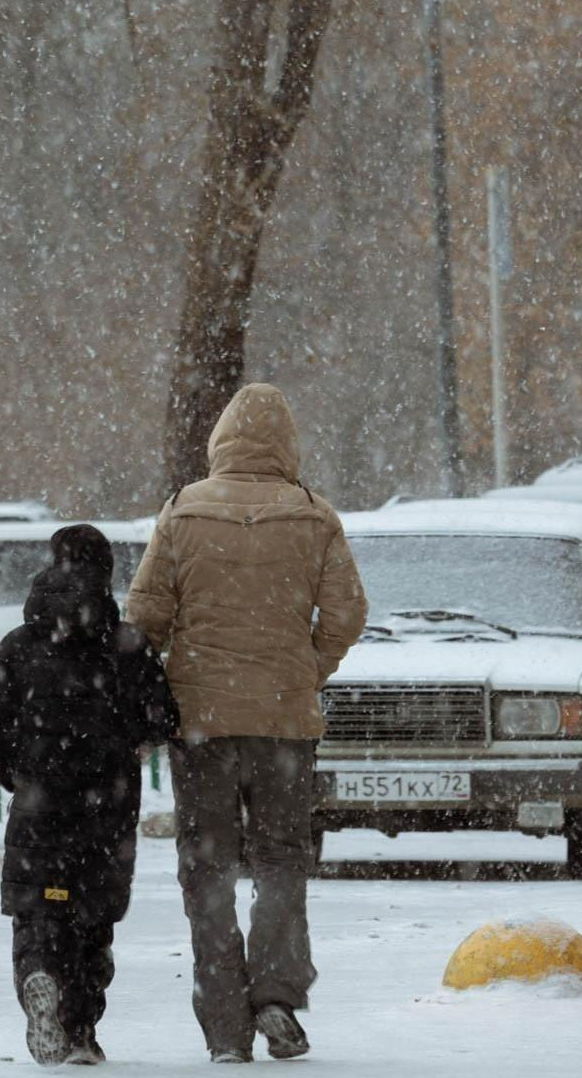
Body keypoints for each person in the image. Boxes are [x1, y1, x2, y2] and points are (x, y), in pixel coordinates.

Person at [127, 383, 369, 1064]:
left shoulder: (181, 512)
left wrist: (181, 673)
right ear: (288, 444)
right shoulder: (314, 517)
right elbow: (348, 614)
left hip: (201, 721)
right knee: (280, 859)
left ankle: (225, 1025)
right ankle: (276, 993)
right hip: (285, 724)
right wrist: (302, 669)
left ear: (220, 441)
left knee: (206, 868)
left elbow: (144, 617)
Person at [0, 524, 178, 1066]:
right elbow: (164, 718)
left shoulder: (17, 644)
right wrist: (135, 737)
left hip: (39, 800)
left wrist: (16, 776)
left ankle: (39, 974)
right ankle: (82, 1030)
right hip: (107, 805)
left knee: (39, 906)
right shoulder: (129, 643)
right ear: (108, 574)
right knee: (92, 916)